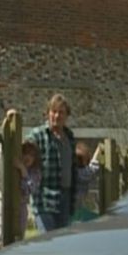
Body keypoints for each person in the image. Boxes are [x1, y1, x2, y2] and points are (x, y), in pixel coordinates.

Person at [28, 94, 77, 232]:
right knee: (47, 242)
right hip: (44, 198)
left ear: (67, 115)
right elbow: (23, 152)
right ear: (48, 113)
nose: (57, 116)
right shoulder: (37, 135)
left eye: (61, 112)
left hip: (65, 198)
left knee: (61, 245)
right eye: (53, 112)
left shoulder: (70, 137)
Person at [14, 141, 42, 239]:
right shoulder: (12, 168)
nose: (28, 157)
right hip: (5, 204)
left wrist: (23, 171)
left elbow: (29, 189)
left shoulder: (35, 173)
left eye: (32, 155)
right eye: (25, 153)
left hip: (21, 207)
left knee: (18, 237)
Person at [72, 141, 102, 222]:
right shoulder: (80, 173)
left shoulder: (71, 171)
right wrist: (97, 152)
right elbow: (92, 169)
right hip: (75, 206)